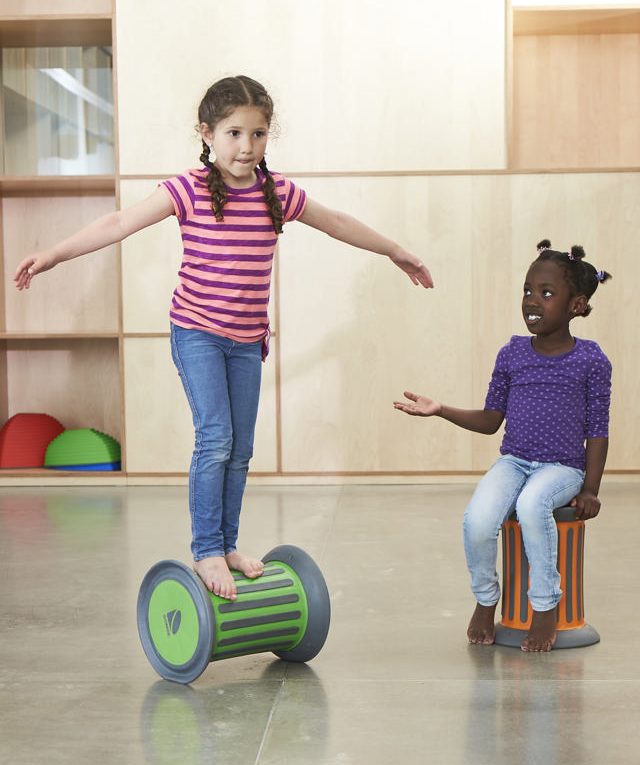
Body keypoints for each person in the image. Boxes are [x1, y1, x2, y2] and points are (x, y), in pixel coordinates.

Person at [14, 75, 434, 601]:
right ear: (207, 133)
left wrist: (394, 250)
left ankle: (229, 544)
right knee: (215, 438)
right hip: (197, 333)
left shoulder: (276, 192)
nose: (247, 147)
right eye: (235, 134)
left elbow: (337, 222)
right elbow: (118, 222)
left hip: (246, 339)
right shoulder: (187, 189)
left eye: (259, 135)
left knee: (241, 448)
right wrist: (52, 255)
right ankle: (206, 548)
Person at [394, 240, 611, 652]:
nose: (532, 300)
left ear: (577, 305)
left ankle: (545, 607)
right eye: (528, 290)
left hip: (563, 468)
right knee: (477, 519)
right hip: (514, 461)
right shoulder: (512, 353)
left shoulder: (591, 360)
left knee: (532, 506)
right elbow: (492, 421)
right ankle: (484, 600)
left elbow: (598, 430)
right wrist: (441, 409)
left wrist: (591, 490)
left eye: (547, 294)